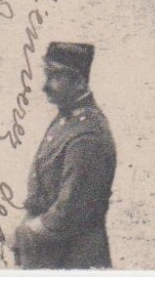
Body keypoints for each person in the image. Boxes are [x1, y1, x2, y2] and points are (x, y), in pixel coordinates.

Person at [13, 42, 117, 269]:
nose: (45, 87)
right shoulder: (69, 116)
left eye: (54, 77)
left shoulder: (88, 138)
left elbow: (69, 213)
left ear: (79, 82)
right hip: (53, 251)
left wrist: (26, 232)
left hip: (74, 258)